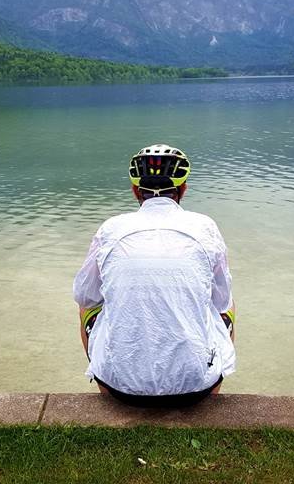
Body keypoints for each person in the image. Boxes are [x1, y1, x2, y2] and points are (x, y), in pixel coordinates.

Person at [73, 144, 236, 407]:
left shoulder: (111, 229)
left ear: (135, 190)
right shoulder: (206, 227)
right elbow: (221, 302)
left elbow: (85, 295)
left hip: (120, 386)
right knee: (227, 308)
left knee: (85, 306)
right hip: (196, 387)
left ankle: (106, 381)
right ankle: (211, 385)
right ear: (183, 189)